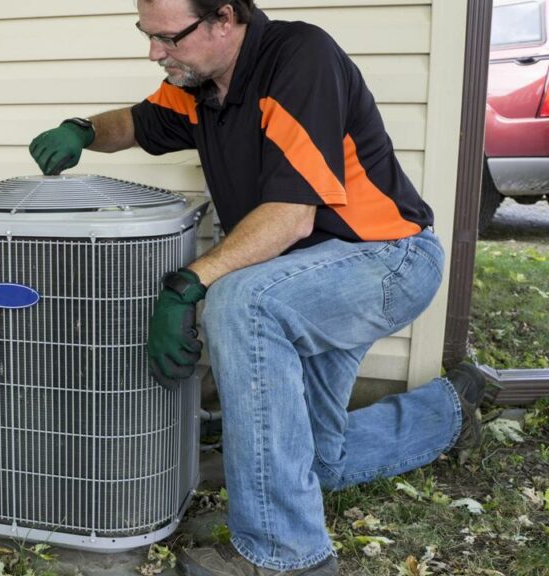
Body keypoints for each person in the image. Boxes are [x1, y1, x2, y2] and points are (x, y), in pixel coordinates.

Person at [28, 1, 487, 574]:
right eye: (146, 35)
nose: (154, 52)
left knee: (240, 302)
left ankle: (285, 555)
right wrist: (84, 129)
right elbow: (137, 122)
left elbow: (292, 216)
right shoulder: (200, 87)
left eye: (168, 37)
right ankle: (448, 411)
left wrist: (186, 287)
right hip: (305, 276)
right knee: (314, 457)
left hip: (385, 259)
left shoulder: (299, 59)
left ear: (224, 18)